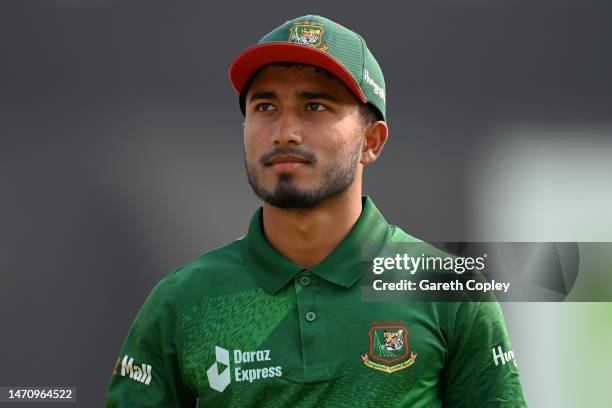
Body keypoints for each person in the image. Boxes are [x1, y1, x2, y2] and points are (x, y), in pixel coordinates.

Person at [106, 15, 527, 407]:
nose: (285, 132)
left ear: (372, 142)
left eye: (315, 106)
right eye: (265, 107)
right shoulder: (182, 300)